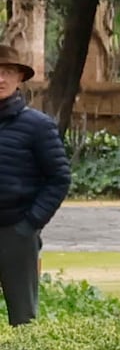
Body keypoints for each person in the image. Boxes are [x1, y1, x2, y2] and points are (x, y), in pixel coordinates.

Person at [0, 49, 62, 328]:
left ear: (19, 79)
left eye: (8, 72)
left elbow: (59, 178)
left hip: (17, 232)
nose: (1, 79)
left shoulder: (38, 126)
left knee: (23, 320)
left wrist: (30, 224)